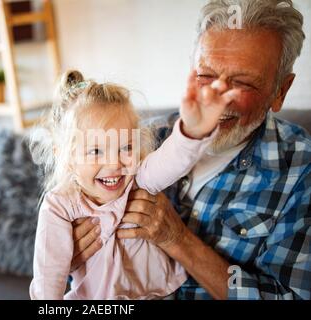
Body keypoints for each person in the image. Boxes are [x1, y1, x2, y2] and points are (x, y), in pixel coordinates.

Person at [70, 0, 310, 300]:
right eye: (206, 75)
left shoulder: (301, 171)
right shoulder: (145, 139)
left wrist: (178, 240)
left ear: (281, 91)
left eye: (242, 82)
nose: (216, 97)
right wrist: (74, 254)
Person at [29, 69, 239, 299]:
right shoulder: (59, 206)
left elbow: (173, 159)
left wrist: (194, 130)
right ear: (66, 158)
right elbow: (48, 277)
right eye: (95, 151)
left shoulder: (138, 178)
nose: (114, 163)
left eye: (126, 147)